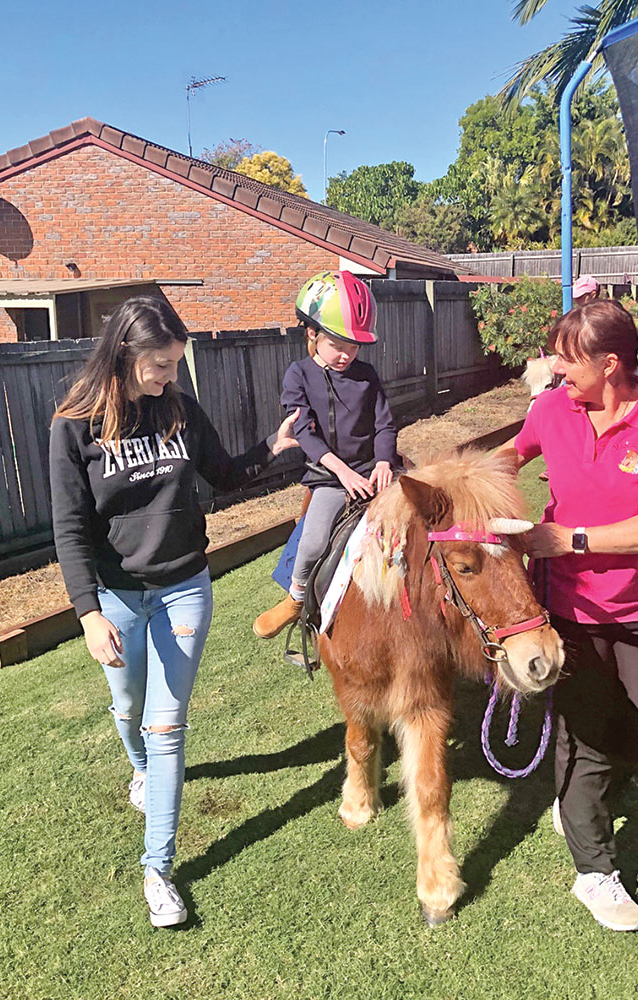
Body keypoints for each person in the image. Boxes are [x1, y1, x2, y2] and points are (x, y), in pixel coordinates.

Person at [49, 295, 299, 927]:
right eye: (161, 365)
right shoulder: (74, 424)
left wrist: (273, 445)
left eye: (174, 365)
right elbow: (70, 528)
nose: (170, 377)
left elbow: (223, 473)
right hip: (115, 597)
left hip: (185, 587)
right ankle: (138, 772)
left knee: (166, 727)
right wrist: (87, 613)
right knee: (128, 706)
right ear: (127, 354)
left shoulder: (181, 411)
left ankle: (156, 870)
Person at [494, 299, 638, 932]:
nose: (555, 368)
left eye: (566, 357)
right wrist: (460, 488)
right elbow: (511, 453)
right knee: (583, 736)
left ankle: (579, 802)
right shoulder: (553, 407)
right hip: (566, 607)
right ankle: (594, 869)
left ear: (610, 364)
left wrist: (571, 538)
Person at [253, 270, 400, 639]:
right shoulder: (298, 374)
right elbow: (304, 432)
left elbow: (385, 425)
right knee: (314, 540)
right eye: (337, 344)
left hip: (375, 468)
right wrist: (343, 474)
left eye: (354, 346)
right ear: (312, 334)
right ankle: (297, 597)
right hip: (330, 476)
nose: (346, 354)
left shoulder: (367, 376)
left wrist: (383, 461)